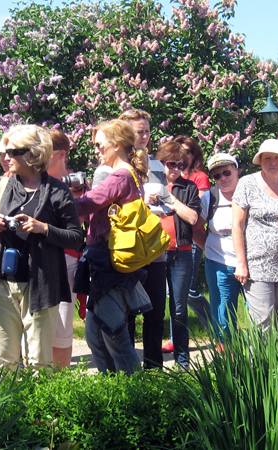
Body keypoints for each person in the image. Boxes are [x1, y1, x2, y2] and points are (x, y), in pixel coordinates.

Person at [0, 126, 84, 371]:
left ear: (33, 155)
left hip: (41, 286)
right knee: (3, 363)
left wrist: (42, 228)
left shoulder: (58, 191)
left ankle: (38, 410)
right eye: (4, 152)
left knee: (39, 363)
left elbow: (75, 238)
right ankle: (5, 409)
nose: (6, 158)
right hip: (1, 284)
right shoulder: (1, 186)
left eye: (13, 152)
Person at [75, 119, 150, 374]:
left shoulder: (119, 175)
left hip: (107, 264)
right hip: (105, 261)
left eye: (99, 145)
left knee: (115, 337)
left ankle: (136, 399)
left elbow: (85, 205)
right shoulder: (129, 173)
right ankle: (111, 394)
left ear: (116, 145)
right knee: (95, 336)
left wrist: (55, 196)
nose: (96, 150)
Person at [233, 139, 278, 333]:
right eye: (268, 158)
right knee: (262, 324)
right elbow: (237, 225)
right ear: (260, 161)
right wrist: (241, 263)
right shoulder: (247, 183)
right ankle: (259, 364)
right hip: (258, 265)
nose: (273, 162)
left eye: (277, 158)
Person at [118, 109, 168, 368]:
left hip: (154, 247)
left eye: (147, 130)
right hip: (127, 247)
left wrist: (156, 204)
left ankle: (155, 369)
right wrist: (139, 202)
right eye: (140, 131)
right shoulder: (118, 165)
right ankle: (126, 370)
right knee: (126, 312)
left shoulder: (158, 165)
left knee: (155, 311)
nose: (145, 135)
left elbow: (168, 203)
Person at [150, 140, 200, 370]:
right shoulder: (148, 184)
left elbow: (192, 218)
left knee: (179, 308)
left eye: (181, 165)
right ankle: (152, 364)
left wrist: (170, 199)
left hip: (181, 253)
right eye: (171, 164)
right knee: (155, 308)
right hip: (155, 252)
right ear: (161, 163)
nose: (176, 169)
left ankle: (183, 362)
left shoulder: (187, 187)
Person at [46, 128, 87, 369]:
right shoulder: (27, 178)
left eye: (44, 151)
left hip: (65, 261)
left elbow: (77, 228)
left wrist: (76, 200)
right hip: (35, 261)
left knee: (61, 326)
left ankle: (60, 383)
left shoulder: (73, 182)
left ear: (61, 154)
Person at [193, 153, 242, 344]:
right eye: (217, 176)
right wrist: (211, 250)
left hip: (251, 263)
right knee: (222, 315)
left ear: (237, 170)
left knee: (257, 314)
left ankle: (258, 363)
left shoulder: (249, 193)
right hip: (220, 264)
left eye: (227, 172)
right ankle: (226, 362)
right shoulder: (210, 198)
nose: (223, 178)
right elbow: (195, 229)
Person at [176, 135, 213, 334]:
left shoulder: (199, 177)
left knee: (188, 290)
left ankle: (216, 328)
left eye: (188, 151)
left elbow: (198, 212)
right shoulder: (169, 175)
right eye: (180, 150)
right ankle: (177, 336)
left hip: (192, 239)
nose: (184, 155)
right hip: (171, 239)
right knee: (173, 292)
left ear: (194, 155)